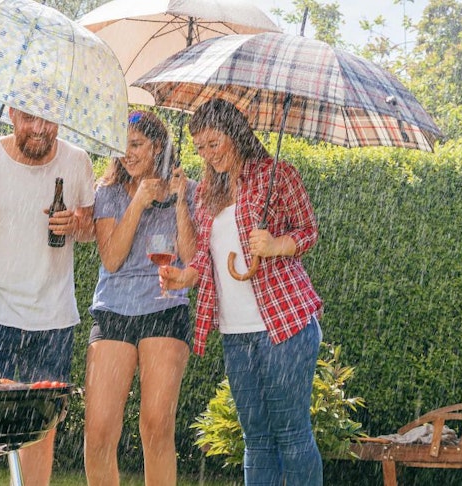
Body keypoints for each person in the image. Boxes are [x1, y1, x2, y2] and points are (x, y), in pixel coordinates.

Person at [159, 98, 324, 485]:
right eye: (200, 147)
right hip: (236, 333)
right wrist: (185, 277)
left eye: (213, 143)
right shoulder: (208, 191)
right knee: (256, 439)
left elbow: (308, 231)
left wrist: (276, 245)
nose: (208, 154)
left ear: (235, 134)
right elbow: (206, 256)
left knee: (292, 434)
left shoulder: (277, 174)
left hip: (284, 325)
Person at [0, 106, 96, 486]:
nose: (39, 128)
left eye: (49, 118)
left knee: (39, 432)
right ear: (11, 113)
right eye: (29, 118)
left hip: (54, 317)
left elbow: (91, 227)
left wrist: (76, 224)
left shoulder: (77, 161)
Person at [84, 110, 197, 486]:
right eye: (122, 146)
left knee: (156, 424)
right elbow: (111, 258)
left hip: (166, 307)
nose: (127, 153)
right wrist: (137, 203)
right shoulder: (108, 193)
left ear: (157, 147)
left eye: (136, 144)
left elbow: (191, 258)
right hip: (114, 309)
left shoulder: (187, 189)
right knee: (99, 431)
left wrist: (180, 202)